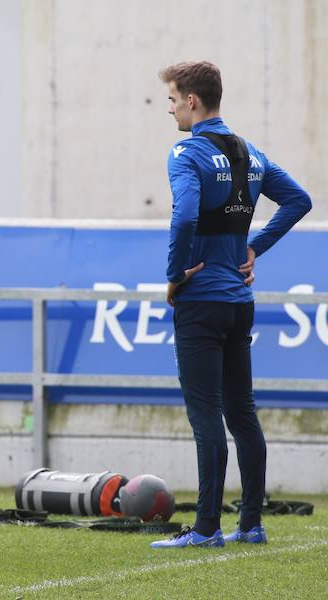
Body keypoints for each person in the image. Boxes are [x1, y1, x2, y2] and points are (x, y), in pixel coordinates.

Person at [151, 62, 311, 548]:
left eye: (173, 99)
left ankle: (204, 529)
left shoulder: (187, 151)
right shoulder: (251, 154)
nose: (170, 108)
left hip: (201, 301)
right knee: (243, 413)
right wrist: (254, 248)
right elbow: (298, 200)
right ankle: (252, 524)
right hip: (240, 302)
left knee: (206, 416)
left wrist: (175, 275)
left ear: (193, 101)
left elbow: (183, 218)